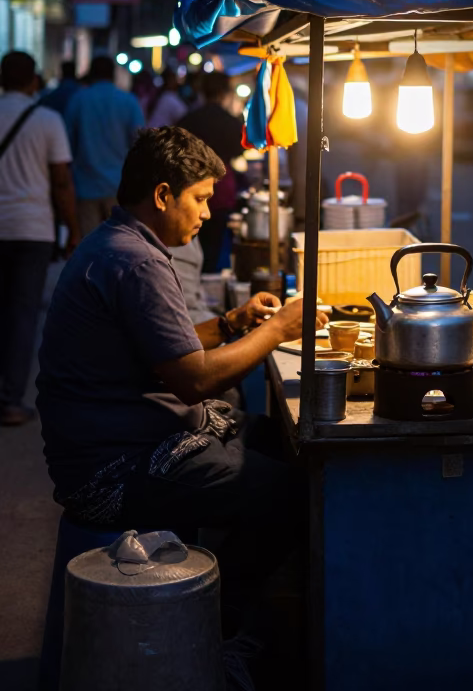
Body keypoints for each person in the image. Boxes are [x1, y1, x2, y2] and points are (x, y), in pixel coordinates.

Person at [37, 126, 328, 638]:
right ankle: (217, 628)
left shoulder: (116, 242)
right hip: (111, 469)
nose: (207, 213)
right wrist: (282, 328)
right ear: (163, 195)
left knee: (280, 443)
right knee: (293, 496)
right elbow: (193, 380)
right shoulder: (136, 259)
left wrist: (234, 324)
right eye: (200, 198)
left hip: (122, 438)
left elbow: (161, 349)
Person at [0, 51, 79, 426]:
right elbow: (61, 181)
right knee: (22, 315)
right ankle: (11, 401)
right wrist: (73, 229)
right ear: (34, 81)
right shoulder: (47, 120)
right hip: (32, 229)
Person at [64, 54, 145, 237]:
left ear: (91, 73)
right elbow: (139, 142)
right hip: (119, 185)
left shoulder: (78, 100)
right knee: (120, 244)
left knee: (89, 247)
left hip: (85, 184)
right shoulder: (128, 101)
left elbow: (67, 143)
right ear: (113, 74)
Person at [178, 71, 244, 270]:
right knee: (216, 245)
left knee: (192, 244)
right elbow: (239, 150)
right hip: (222, 189)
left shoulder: (188, 120)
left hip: (189, 189)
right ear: (225, 92)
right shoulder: (231, 122)